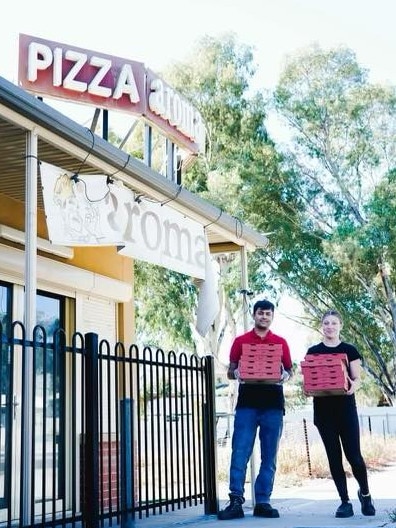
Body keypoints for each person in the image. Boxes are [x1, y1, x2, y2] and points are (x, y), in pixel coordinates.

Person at [218, 299, 293, 520]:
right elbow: (231, 371)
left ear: (272, 317)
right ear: (254, 315)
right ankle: (235, 501)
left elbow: (289, 370)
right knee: (240, 452)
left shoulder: (280, 342)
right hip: (247, 405)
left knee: (269, 456)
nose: (264, 317)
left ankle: (263, 502)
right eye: (261, 313)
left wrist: (286, 375)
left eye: (268, 314)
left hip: (273, 406)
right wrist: (237, 372)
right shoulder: (241, 341)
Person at [305, 309, 376, 518]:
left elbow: (356, 380)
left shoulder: (349, 350)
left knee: (354, 456)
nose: (329, 326)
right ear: (322, 326)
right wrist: (308, 389)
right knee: (334, 458)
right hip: (323, 412)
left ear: (340, 326)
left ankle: (365, 494)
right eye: (326, 323)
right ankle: (345, 502)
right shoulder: (313, 351)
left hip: (345, 410)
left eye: (333, 323)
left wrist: (348, 387)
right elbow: (309, 382)